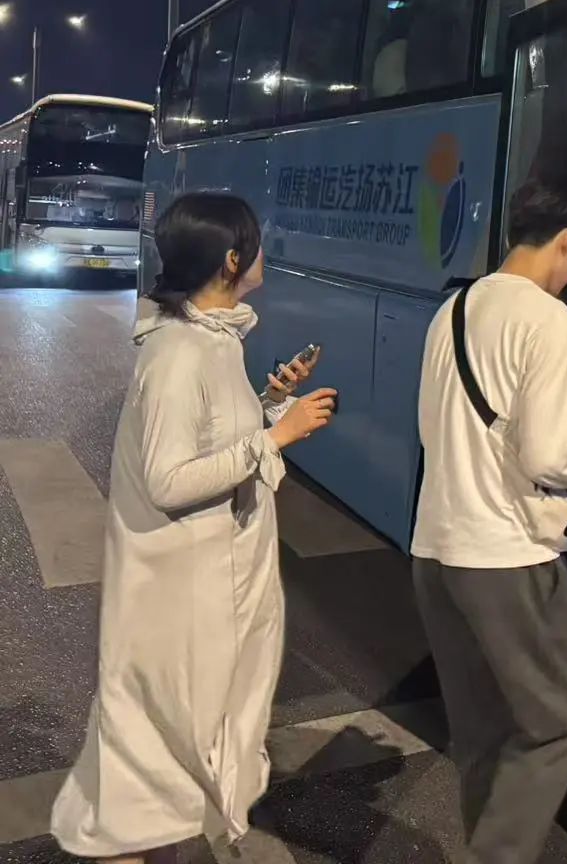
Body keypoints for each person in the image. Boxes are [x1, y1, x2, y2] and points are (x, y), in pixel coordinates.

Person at [52, 192, 337, 863]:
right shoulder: (181, 354)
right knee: (155, 760)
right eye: (254, 244)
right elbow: (169, 480)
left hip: (201, 584)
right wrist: (276, 439)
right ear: (231, 259)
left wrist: (271, 403)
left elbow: (212, 442)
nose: (264, 254)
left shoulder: (213, 340)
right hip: (179, 595)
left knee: (168, 759)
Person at [411, 175, 567, 864]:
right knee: (557, 726)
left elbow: (451, 422)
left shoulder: (456, 307)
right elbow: (548, 457)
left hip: (435, 551)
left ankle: (486, 845)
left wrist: (562, 393)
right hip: (506, 561)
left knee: (484, 734)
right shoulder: (552, 321)